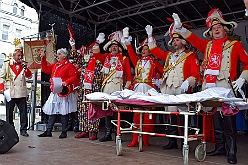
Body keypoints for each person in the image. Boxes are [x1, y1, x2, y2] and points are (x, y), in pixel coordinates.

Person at [172, 8, 248, 164]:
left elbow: (247, 63)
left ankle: (231, 151)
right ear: (210, 32)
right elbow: (192, 39)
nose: (216, 29)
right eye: (214, 28)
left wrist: (243, 78)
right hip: (209, 88)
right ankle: (220, 147)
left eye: (219, 27)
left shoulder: (235, 45)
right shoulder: (206, 45)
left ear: (225, 29)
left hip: (226, 88)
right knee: (216, 121)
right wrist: (180, 28)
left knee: (229, 122)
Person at [146, 24, 200, 150]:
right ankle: (172, 140)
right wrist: (149, 36)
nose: (175, 42)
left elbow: (196, 73)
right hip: (169, 88)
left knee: (183, 115)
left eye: (177, 40)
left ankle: (184, 142)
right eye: (174, 40)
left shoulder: (191, 55)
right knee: (171, 114)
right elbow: (155, 51)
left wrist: (189, 81)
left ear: (184, 41)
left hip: (182, 88)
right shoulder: (169, 55)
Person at [121, 27, 163, 147]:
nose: (144, 50)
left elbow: (165, 72)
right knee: (137, 113)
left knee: (148, 115)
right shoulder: (137, 61)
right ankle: (135, 138)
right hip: (139, 88)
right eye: (143, 49)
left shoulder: (155, 62)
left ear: (151, 50)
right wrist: (126, 39)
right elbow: (130, 52)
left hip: (149, 89)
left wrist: (159, 81)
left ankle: (145, 139)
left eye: (147, 48)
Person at [93, 31, 132, 142]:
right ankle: (108, 133)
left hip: (118, 86)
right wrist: (97, 42)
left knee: (117, 110)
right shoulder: (105, 57)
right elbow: (96, 53)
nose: (114, 47)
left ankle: (117, 133)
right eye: (112, 46)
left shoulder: (124, 59)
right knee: (106, 110)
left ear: (119, 48)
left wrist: (127, 87)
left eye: (116, 46)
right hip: (107, 86)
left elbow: (129, 75)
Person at [38, 48, 79, 139]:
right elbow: (45, 69)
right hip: (55, 91)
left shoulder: (69, 65)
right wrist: (43, 59)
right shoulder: (55, 65)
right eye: (57, 54)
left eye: (59, 54)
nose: (57, 56)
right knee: (52, 110)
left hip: (64, 91)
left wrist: (66, 82)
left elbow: (74, 76)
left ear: (64, 56)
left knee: (64, 112)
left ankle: (64, 131)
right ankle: (48, 130)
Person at [70, 38, 103, 140]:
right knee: (83, 110)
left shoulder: (100, 60)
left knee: (93, 110)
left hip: (94, 89)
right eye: (90, 50)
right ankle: (84, 130)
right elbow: (75, 56)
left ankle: (93, 131)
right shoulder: (85, 60)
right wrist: (73, 45)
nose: (91, 51)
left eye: (94, 49)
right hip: (83, 89)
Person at [0, 39, 32, 137]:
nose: (20, 57)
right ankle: (10, 129)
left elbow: (29, 76)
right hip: (10, 91)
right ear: (14, 55)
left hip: (21, 91)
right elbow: (2, 76)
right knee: (9, 113)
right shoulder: (7, 64)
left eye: (21, 55)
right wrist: (1, 87)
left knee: (23, 112)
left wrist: (26, 69)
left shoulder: (24, 64)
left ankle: (23, 130)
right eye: (18, 55)